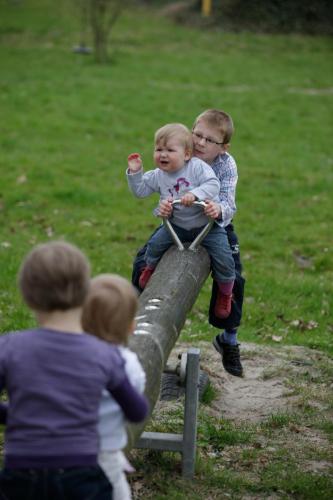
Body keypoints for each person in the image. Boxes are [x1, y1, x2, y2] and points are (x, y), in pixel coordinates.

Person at [0, 241, 148, 500]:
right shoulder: (104, 355)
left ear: (26, 294)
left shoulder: (10, 347)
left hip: (21, 472)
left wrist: (17, 415)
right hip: (80, 472)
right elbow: (137, 411)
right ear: (83, 293)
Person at [132, 110, 245, 377]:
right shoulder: (181, 150)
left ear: (223, 147)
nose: (201, 143)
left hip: (215, 223)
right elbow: (160, 181)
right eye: (198, 135)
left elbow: (228, 201)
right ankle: (135, 318)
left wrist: (218, 210)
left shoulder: (226, 165)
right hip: (179, 224)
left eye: (210, 140)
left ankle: (229, 339)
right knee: (142, 257)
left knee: (233, 274)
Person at [127, 123, 235, 320]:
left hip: (206, 228)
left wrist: (195, 194)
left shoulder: (196, 167)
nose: (163, 155)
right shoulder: (159, 175)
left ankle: (225, 292)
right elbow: (140, 191)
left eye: (169, 150)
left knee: (225, 258)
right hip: (175, 226)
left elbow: (213, 184)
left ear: (186, 154)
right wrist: (135, 173)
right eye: (159, 150)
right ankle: (150, 269)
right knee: (154, 246)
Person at [82, 274, 145, 500]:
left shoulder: (68, 357)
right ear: (131, 326)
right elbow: (136, 410)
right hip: (103, 455)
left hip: (56, 450)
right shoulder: (129, 364)